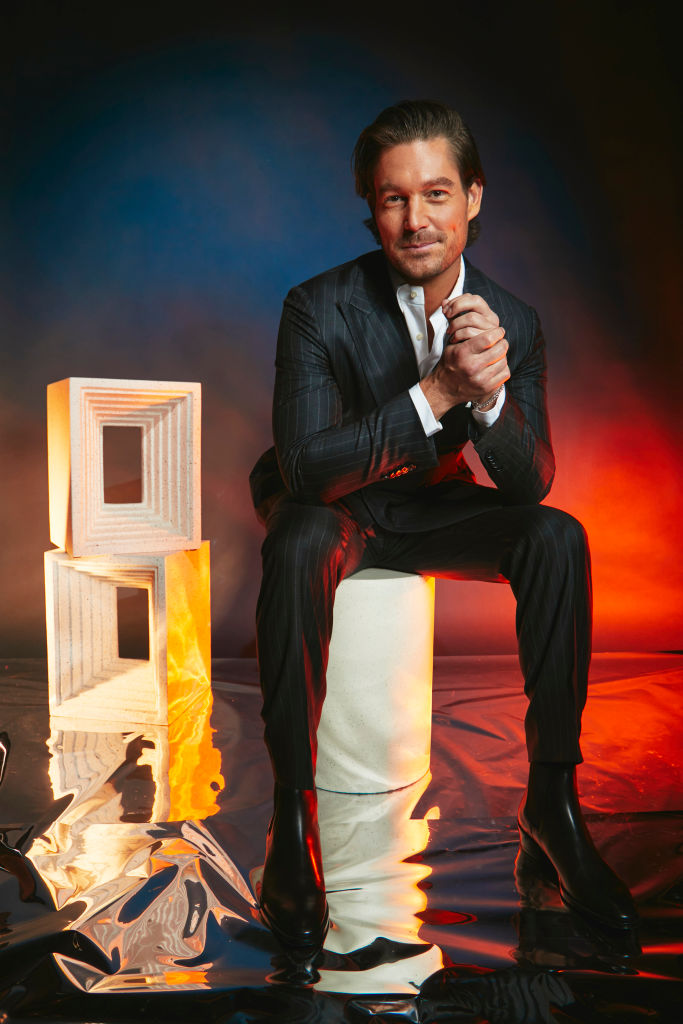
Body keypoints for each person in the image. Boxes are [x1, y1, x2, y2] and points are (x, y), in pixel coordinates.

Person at [249, 100, 637, 960]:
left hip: (428, 510)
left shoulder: (513, 321)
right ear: (371, 206)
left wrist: (491, 394)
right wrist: (439, 393)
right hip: (333, 506)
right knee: (299, 534)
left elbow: (529, 481)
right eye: (393, 198)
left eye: (434, 194)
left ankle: (552, 805)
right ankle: (291, 815)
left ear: (472, 197)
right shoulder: (316, 306)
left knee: (555, 536)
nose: (415, 219)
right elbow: (305, 469)